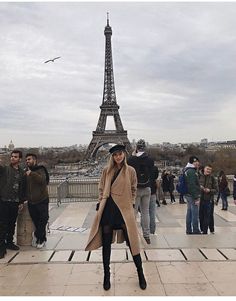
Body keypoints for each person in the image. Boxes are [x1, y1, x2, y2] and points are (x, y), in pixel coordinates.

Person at [85, 144, 147, 291]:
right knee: (106, 245)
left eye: (120, 154)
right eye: (115, 155)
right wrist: (101, 201)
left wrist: (131, 204)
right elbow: (101, 188)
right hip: (109, 209)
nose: (118, 157)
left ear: (124, 155)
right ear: (112, 157)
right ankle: (106, 275)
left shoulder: (130, 171)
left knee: (133, 243)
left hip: (123, 210)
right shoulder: (106, 171)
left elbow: (133, 188)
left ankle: (140, 273)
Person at [127, 139, 154, 244]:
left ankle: (132, 236)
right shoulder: (150, 160)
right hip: (147, 188)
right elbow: (152, 174)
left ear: (136, 148)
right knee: (145, 212)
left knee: (133, 213)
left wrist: (133, 155)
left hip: (135, 189)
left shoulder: (131, 160)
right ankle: (146, 235)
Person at [0, 150, 26, 259]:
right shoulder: (5, 169)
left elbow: (22, 188)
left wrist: (20, 202)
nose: (12, 158)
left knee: (12, 223)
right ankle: (1, 247)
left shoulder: (22, 172)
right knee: (2, 224)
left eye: (15, 157)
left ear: (20, 159)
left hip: (15, 202)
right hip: (4, 201)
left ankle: (9, 242)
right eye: (12, 156)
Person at [25, 153, 50, 248]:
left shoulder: (41, 169)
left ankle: (38, 236)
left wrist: (31, 174)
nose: (27, 161)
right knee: (36, 221)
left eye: (29, 159)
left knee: (43, 219)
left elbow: (43, 181)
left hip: (42, 199)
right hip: (31, 201)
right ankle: (41, 238)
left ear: (34, 160)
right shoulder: (26, 171)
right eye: (26, 160)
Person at [185, 156, 201, 235]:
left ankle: (188, 229)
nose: (197, 163)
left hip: (188, 194)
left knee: (189, 212)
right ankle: (195, 229)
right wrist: (196, 197)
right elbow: (192, 185)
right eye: (196, 162)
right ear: (193, 162)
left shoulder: (187, 170)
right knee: (195, 213)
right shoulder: (191, 171)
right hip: (192, 195)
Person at [199, 165, 218, 234]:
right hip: (200, 199)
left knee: (208, 215)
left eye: (210, 169)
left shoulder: (213, 178)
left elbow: (216, 190)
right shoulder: (199, 176)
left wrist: (209, 190)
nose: (208, 170)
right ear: (204, 169)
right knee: (201, 215)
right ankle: (202, 229)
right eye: (207, 169)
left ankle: (205, 230)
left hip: (209, 199)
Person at [149, 165, 159, 235]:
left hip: (141, 190)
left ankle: (145, 231)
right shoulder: (154, 168)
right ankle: (152, 230)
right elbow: (156, 179)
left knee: (144, 213)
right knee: (152, 212)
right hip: (152, 191)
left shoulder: (138, 166)